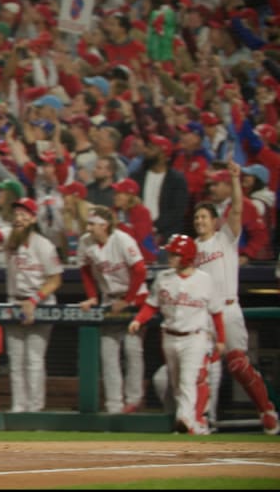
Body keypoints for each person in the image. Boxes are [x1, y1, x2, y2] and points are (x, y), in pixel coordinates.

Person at [192, 161, 280, 435]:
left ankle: (266, 409)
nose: (200, 221)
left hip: (228, 309)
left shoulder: (225, 239)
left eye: (204, 217)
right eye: (197, 218)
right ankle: (203, 418)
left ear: (214, 220)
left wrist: (235, 181)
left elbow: (238, 209)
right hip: (204, 315)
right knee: (202, 367)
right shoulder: (191, 249)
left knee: (238, 364)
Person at [128, 234, 225, 435]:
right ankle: (188, 421)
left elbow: (216, 313)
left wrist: (221, 339)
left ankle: (185, 422)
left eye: (175, 254)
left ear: (187, 256)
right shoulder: (164, 278)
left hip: (194, 337)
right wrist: (138, 320)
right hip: (169, 337)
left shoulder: (205, 280)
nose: (170, 257)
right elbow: (151, 305)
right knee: (176, 384)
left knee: (188, 380)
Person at [77, 205, 149, 414]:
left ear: (105, 225)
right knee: (108, 353)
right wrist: (92, 296)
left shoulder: (122, 239)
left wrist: (127, 300)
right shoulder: (85, 242)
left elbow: (140, 270)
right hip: (109, 299)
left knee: (132, 349)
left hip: (134, 298)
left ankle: (134, 400)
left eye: (92, 224)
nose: (88, 227)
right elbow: (84, 270)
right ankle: (114, 405)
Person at [3, 197, 63, 413]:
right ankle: (19, 407)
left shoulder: (43, 245)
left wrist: (34, 300)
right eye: (16, 214)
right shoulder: (11, 241)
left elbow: (55, 279)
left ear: (33, 218)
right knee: (16, 361)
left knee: (34, 360)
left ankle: (35, 410)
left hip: (39, 303)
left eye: (23, 214)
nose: (18, 218)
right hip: (15, 301)